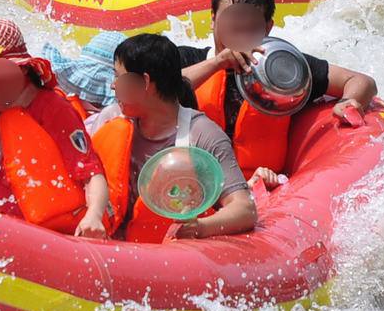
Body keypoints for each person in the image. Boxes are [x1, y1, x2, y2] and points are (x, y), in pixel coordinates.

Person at [179, 0, 379, 190]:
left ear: (268, 27)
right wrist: (218, 63)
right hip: (196, 190)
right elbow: (159, 91)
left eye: (250, 27)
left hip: (264, 188)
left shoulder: (284, 68)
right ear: (213, 19)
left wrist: (349, 101)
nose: (240, 32)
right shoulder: (187, 60)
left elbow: (360, 81)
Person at [0, 17, 112, 235]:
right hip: (3, 234)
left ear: (21, 70)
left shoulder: (54, 111)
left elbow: (90, 172)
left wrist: (94, 215)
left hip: (60, 236)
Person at [85, 33, 257, 243]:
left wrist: (200, 227)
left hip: (167, 257)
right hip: (107, 247)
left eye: (119, 78)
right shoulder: (110, 119)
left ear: (145, 82)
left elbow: (244, 209)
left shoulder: (202, 135)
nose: (113, 86)